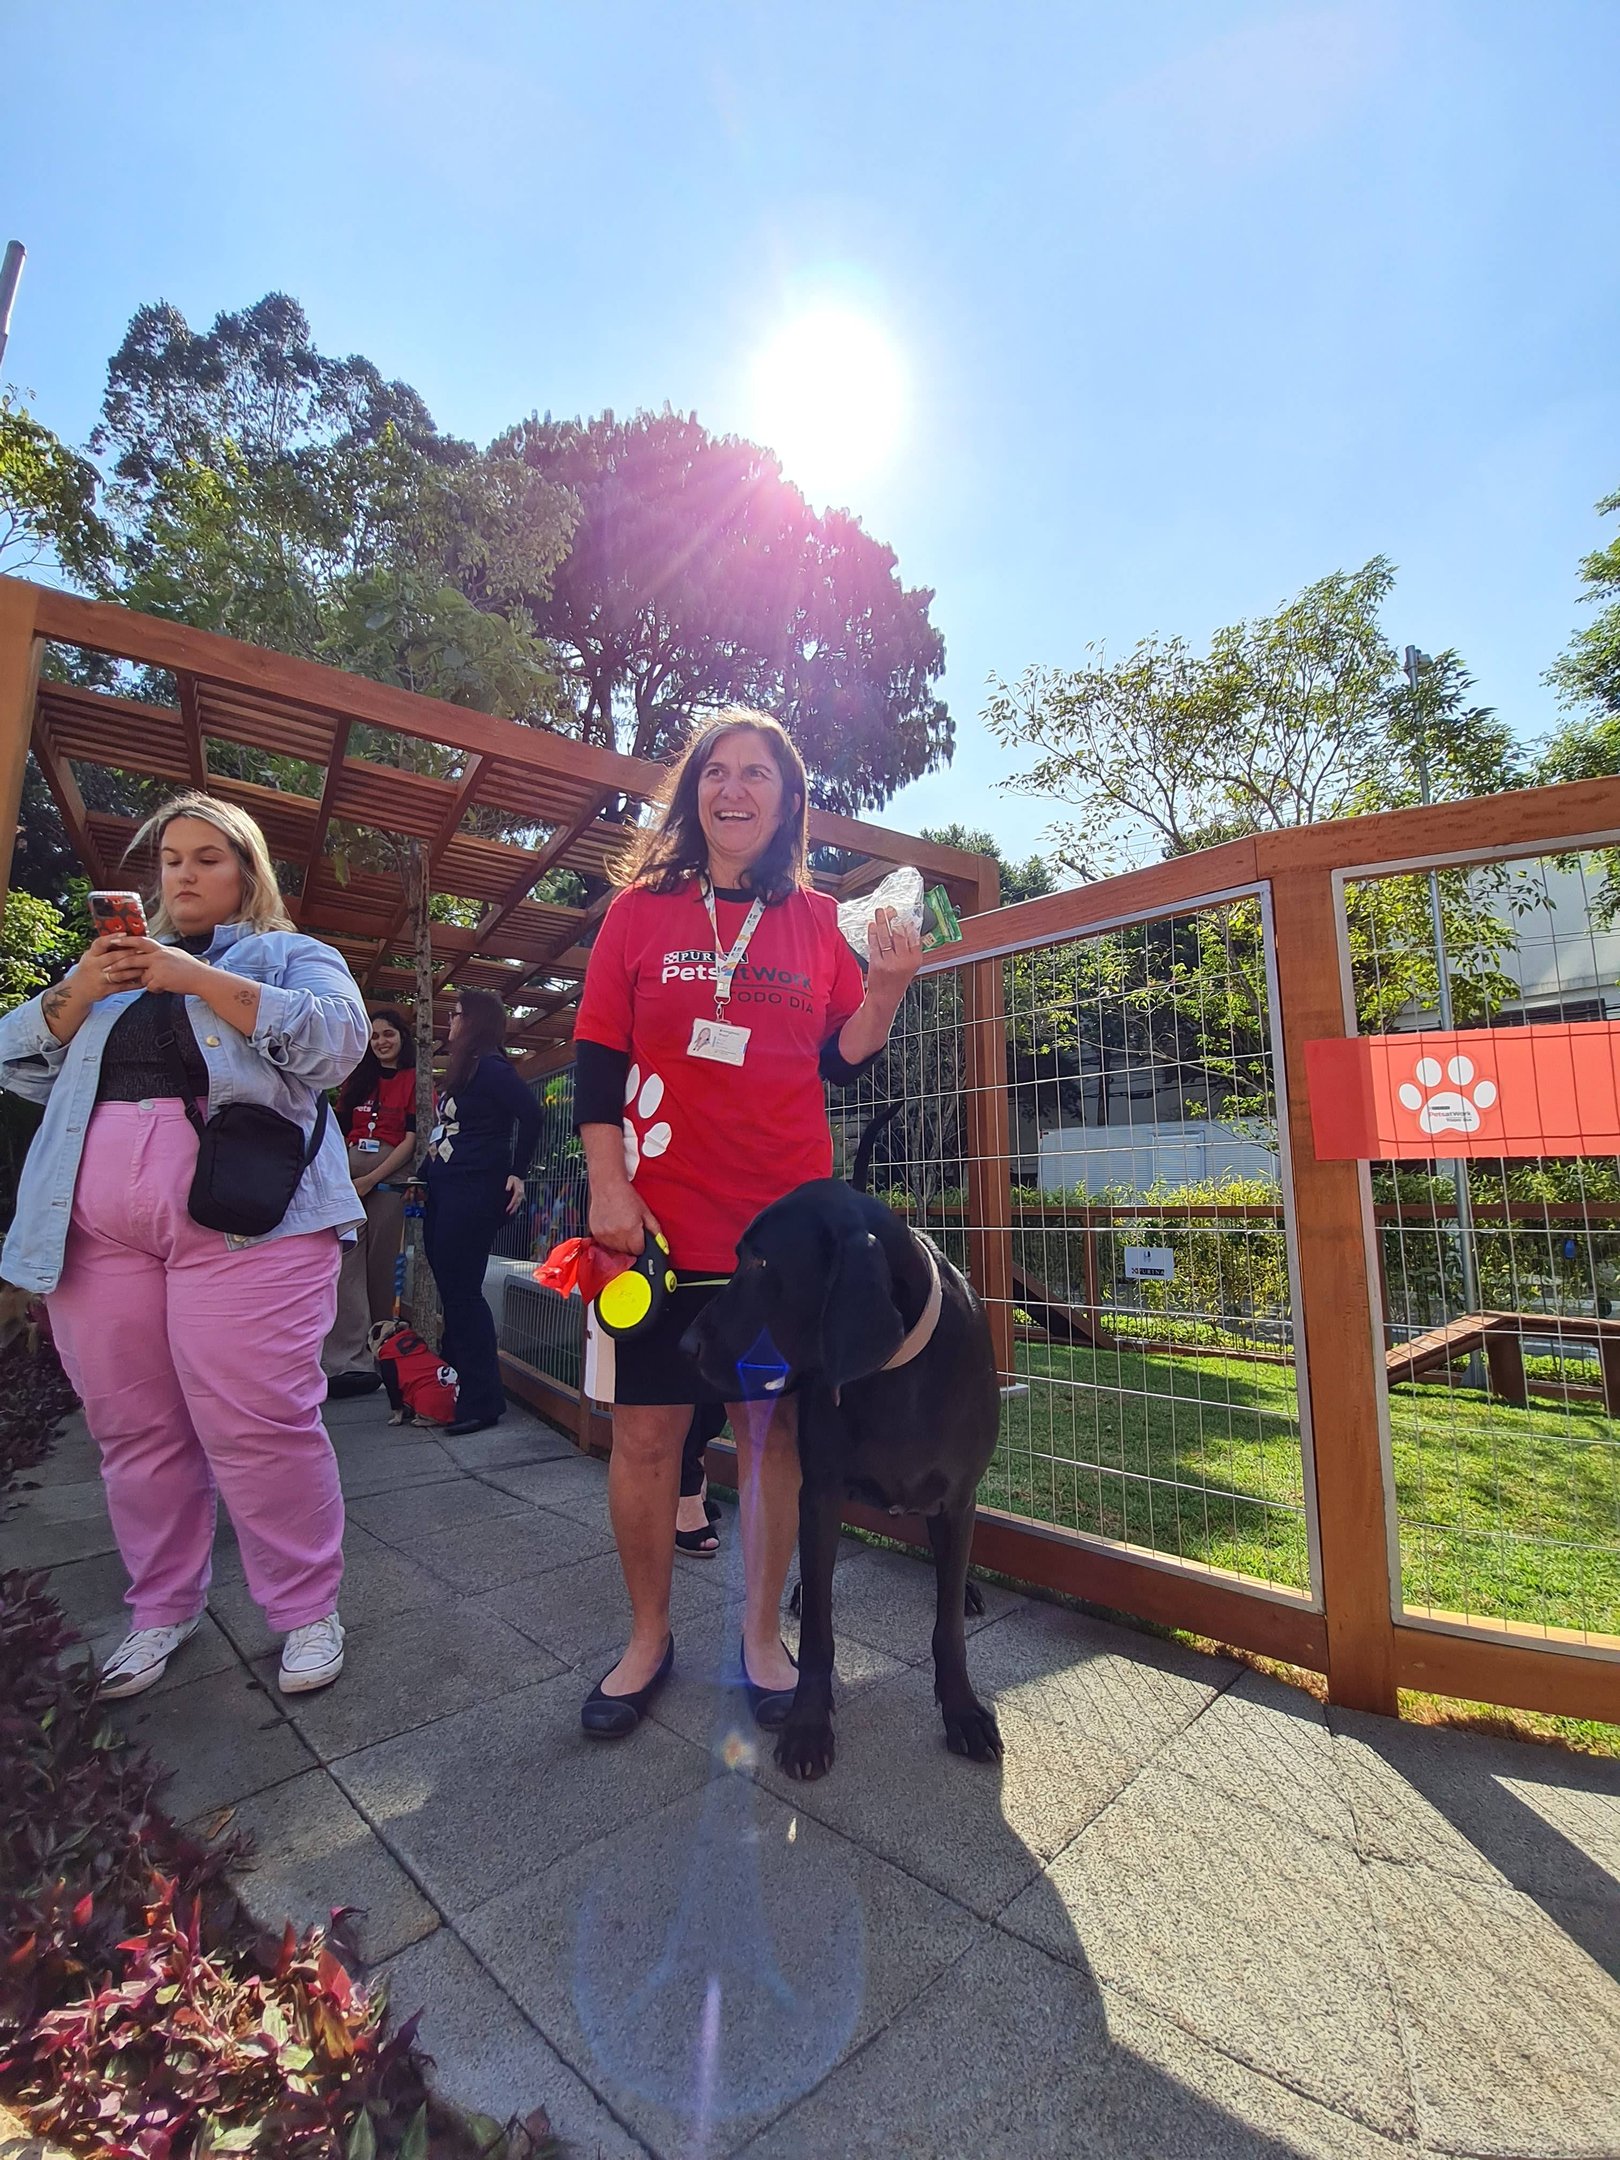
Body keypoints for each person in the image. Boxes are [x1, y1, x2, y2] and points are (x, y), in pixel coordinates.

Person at [571, 707, 922, 1736]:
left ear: (788, 798)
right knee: (643, 1439)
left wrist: (890, 987)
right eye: (716, 772)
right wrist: (606, 1186)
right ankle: (647, 1638)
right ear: (694, 794)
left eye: (757, 774)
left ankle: (761, 1638)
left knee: (768, 1439)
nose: (734, 790)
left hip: (779, 1251)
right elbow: (596, 1054)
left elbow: (842, 1054)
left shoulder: (818, 922)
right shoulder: (638, 914)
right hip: (655, 1235)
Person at [0, 793, 369, 1699]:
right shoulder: (102, 972)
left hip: (252, 1222)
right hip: (96, 1231)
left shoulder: (290, 953)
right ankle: (160, 1606)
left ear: (246, 870)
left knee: (258, 1422)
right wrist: (83, 988)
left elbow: (336, 1044)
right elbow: (13, 1060)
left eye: (208, 857)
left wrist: (194, 977)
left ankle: (305, 1609)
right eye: (171, 859)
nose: (185, 874)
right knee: (131, 1428)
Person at [422, 987, 542, 1438]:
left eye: (455, 1016)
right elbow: (451, 1129)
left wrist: (518, 1172)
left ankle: (482, 1399)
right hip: (447, 1187)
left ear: (475, 1022)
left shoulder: (491, 1067)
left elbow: (532, 1115)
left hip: (473, 1191)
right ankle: (464, 1388)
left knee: (462, 1292)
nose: (449, 1024)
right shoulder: (467, 1069)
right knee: (453, 1290)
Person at [322, 1007, 419, 1398]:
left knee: (382, 1268)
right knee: (346, 1267)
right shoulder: (356, 1080)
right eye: (375, 1036)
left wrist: (371, 1179)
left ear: (402, 1037)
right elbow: (338, 1130)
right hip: (349, 1183)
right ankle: (347, 1362)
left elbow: (412, 1139)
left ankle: (383, 1352)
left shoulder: (416, 1079)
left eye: (388, 1034)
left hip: (387, 1185)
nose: (381, 1042)